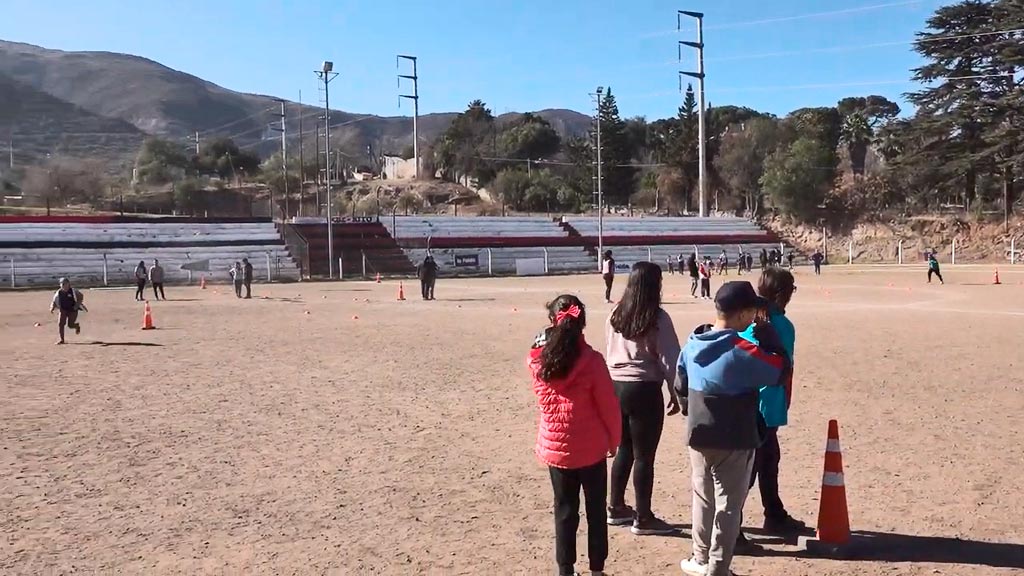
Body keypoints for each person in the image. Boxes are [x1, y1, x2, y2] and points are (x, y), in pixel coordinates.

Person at [676, 282, 790, 576]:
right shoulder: (742, 349)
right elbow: (779, 371)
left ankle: (700, 557)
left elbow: (680, 383)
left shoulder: (694, 342)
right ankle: (718, 566)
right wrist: (769, 338)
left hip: (699, 432)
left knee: (702, 498)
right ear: (742, 314)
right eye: (752, 312)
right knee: (728, 504)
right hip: (735, 436)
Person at [529, 294, 621, 576]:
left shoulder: (539, 361)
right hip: (591, 447)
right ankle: (596, 569)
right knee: (595, 512)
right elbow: (608, 405)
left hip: (556, 448)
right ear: (582, 323)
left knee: (564, 511)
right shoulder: (592, 361)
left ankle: (565, 569)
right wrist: (613, 439)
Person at [605, 263, 682, 536]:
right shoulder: (657, 318)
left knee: (624, 448)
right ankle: (644, 516)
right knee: (644, 456)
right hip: (644, 389)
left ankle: (615, 507)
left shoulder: (615, 313)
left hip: (616, 386)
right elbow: (670, 359)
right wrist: (677, 391)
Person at [736, 269, 805, 549]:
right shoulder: (780, 325)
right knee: (750, 469)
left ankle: (774, 513)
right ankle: (733, 528)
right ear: (781, 294)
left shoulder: (745, 321)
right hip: (766, 403)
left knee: (767, 460)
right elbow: (782, 367)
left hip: (746, 401)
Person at [50, 277, 86, 345]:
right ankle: (61, 339)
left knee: (70, 325)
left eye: (65, 284)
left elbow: (81, 296)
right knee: (60, 324)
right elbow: (54, 301)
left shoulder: (73, 291)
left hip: (72, 310)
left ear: (68, 284)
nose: (63, 286)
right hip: (63, 309)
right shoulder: (58, 293)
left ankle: (76, 326)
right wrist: (52, 307)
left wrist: (77, 305)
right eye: (62, 284)